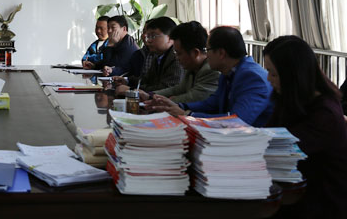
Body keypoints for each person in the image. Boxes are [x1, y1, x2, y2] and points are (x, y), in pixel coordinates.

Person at [263, 36, 347, 218]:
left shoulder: (325, 113)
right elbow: (269, 134)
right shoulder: (289, 98)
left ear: (293, 75)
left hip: (319, 201)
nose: (268, 79)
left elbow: (282, 147)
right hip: (290, 190)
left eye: (273, 74)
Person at [147, 26, 274, 127]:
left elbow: (237, 121)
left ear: (221, 53)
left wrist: (188, 115)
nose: (206, 55)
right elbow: (212, 103)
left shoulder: (252, 78)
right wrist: (180, 107)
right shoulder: (229, 73)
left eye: (208, 50)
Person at [149, 21, 219, 103]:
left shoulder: (210, 70)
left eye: (179, 53)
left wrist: (166, 100)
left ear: (195, 53)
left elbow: (194, 97)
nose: (177, 58)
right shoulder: (192, 68)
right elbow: (177, 90)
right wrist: (151, 95)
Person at [114, 17, 184, 97]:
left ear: (170, 38)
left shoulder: (177, 57)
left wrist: (132, 90)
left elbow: (167, 88)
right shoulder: (158, 56)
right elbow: (146, 80)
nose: (148, 40)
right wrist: (127, 81)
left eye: (153, 36)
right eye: (148, 36)